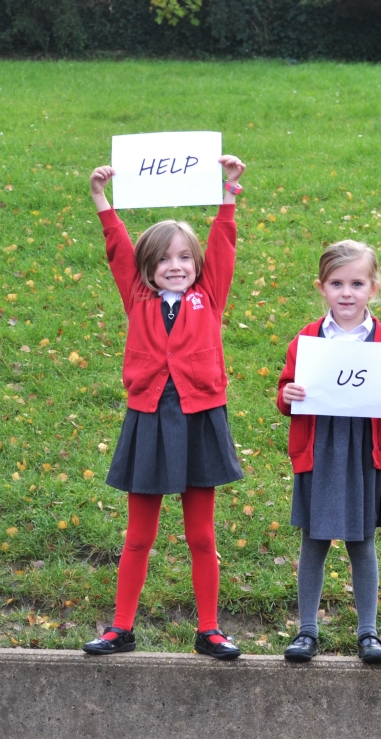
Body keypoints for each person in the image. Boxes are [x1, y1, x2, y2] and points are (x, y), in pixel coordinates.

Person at [82, 158, 247, 659]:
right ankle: (120, 628)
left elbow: (223, 244)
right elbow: (117, 251)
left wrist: (228, 197)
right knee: (138, 535)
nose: (176, 266)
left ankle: (210, 629)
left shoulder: (208, 295)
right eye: (163, 260)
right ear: (147, 270)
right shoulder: (138, 297)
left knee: (201, 533)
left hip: (200, 418)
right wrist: (101, 201)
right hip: (149, 418)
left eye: (184, 258)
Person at [276, 240, 381, 664]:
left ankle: (368, 633)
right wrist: (288, 393)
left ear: (373, 288)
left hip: (363, 453)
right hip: (319, 451)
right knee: (314, 543)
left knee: (362, 544)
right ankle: (306, 630)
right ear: (322, 287)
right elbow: (286, 394)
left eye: (356, 283)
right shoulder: (306, 340)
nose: (346, 293)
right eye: (337, 283)